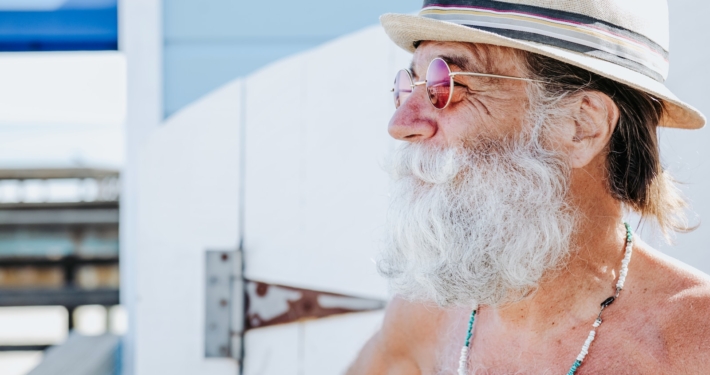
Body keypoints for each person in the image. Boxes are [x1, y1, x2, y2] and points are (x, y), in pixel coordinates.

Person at [347, 1, 710, 374]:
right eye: (408, 86)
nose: (400, 122)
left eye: (447, 83)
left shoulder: (697, 345)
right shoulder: (425, 314)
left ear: (580, 125)